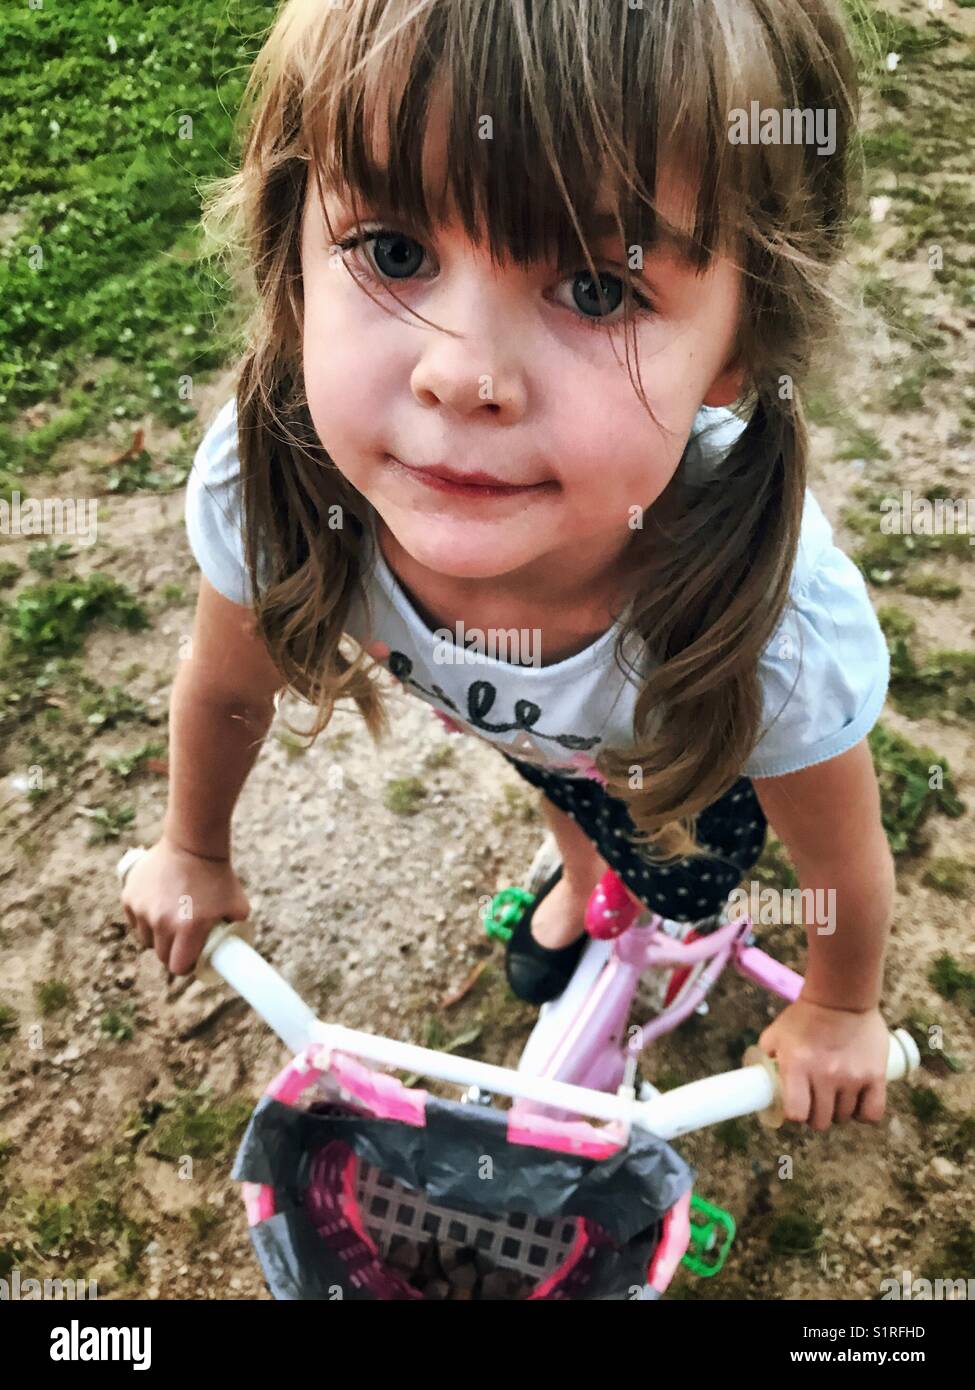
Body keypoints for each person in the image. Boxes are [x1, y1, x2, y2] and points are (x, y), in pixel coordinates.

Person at [122, 0, 895, 1133]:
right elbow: (228, 686)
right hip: (536, 734)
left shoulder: (776, 629)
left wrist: (839, 1007)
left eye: (596, 288)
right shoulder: (273, 495)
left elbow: (841, 853)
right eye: (393, 251)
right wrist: (192, 846)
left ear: (739, 342)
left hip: (680, 763)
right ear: (290, 255)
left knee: (673, 871)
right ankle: (583, 886)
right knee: (552, 779)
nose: (462, 375)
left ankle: (647, 907)